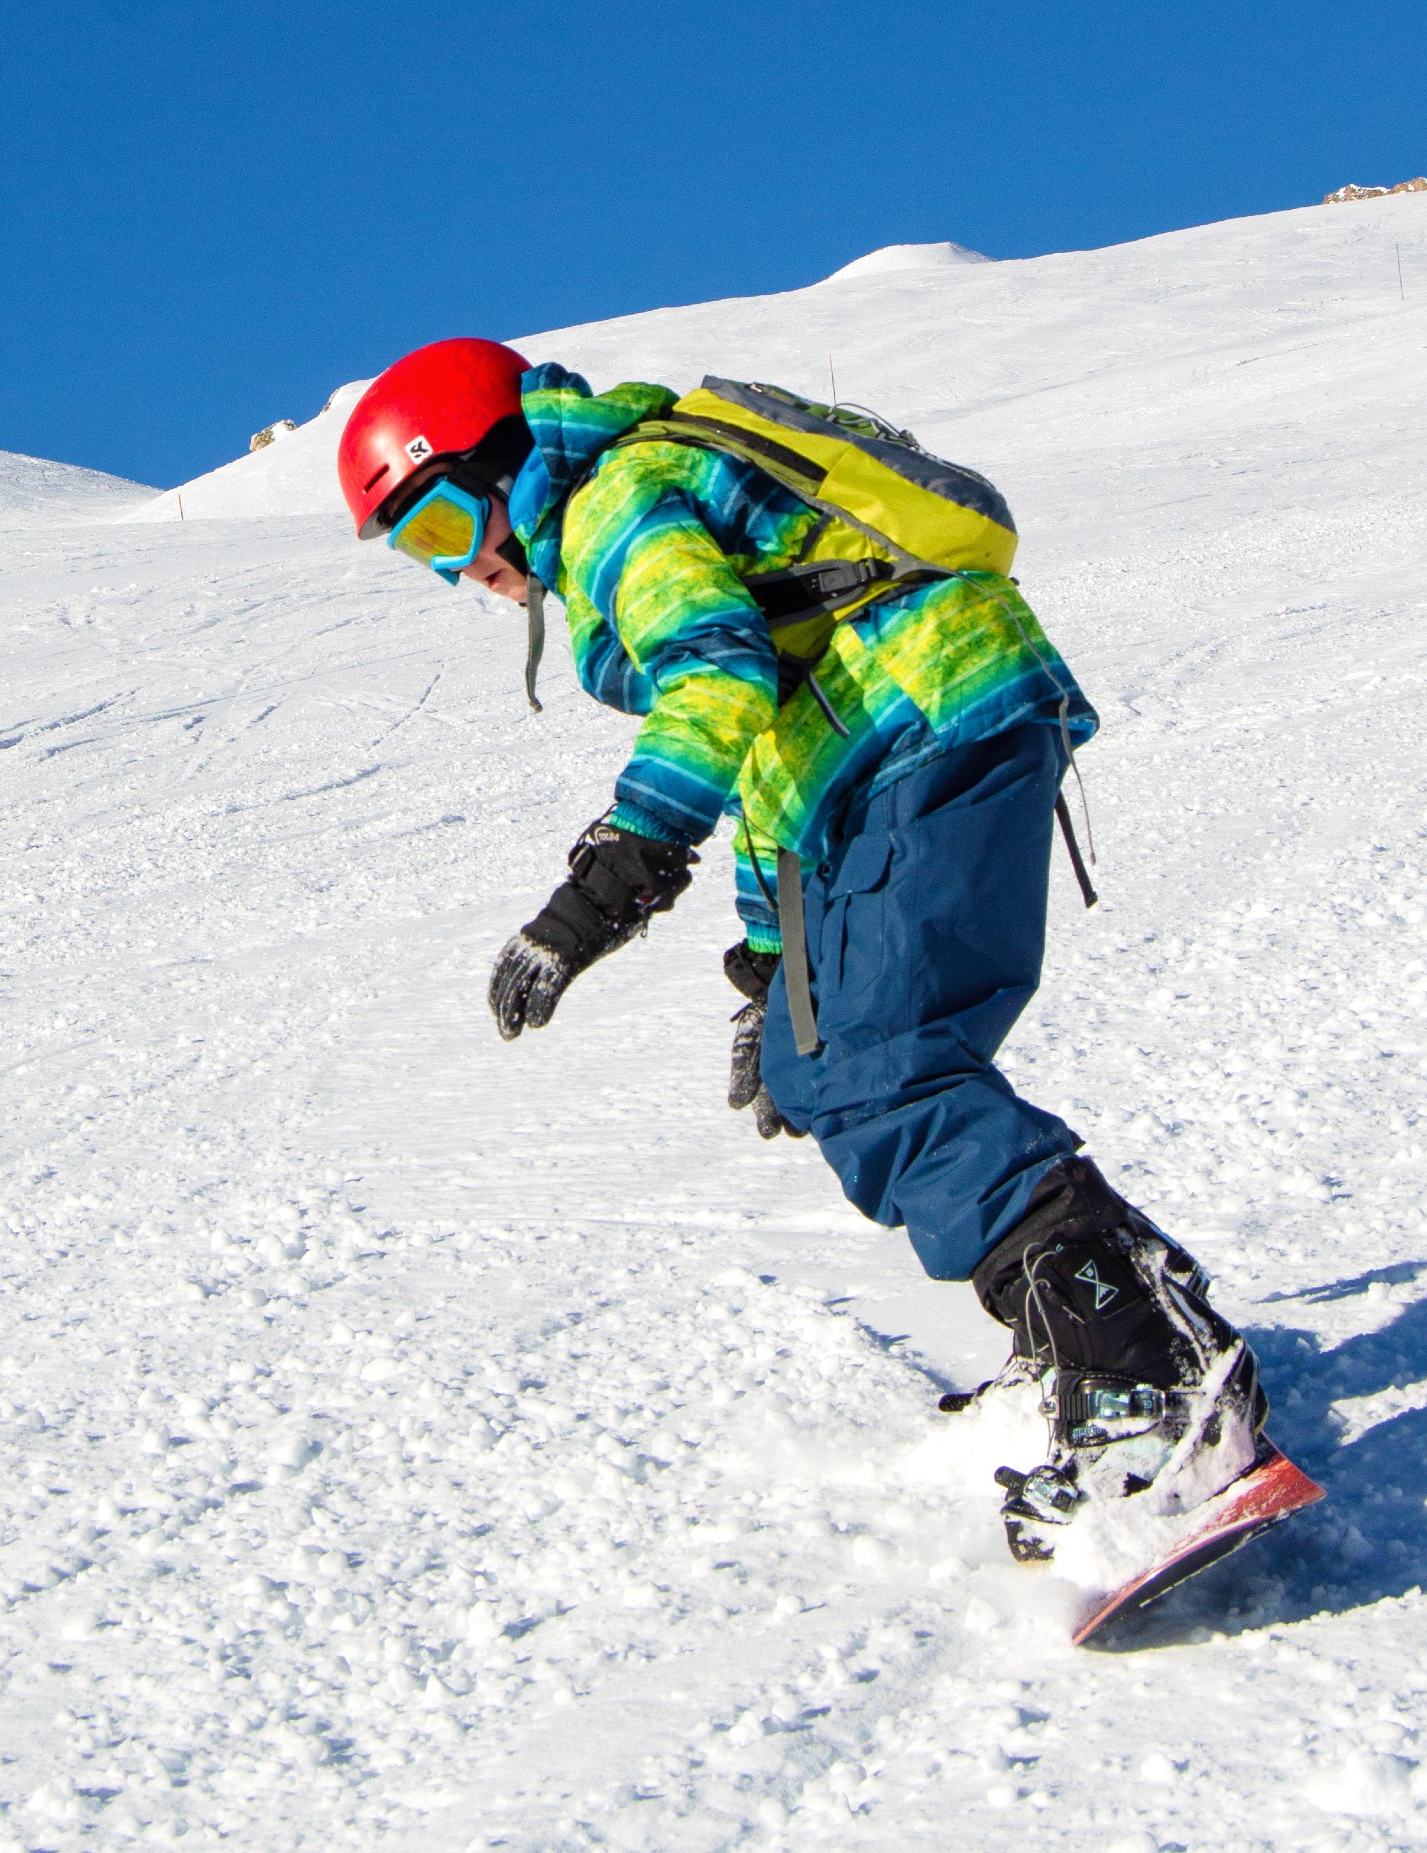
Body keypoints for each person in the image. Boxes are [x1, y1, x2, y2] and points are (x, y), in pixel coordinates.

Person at [336, 339, 1271, 1561]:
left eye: (452, 524)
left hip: (926, 721)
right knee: (824, 1056)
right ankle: (1098, 1337)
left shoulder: (612, 497)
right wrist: (774, 970)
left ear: (504, 462)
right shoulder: (627, 502)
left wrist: (605, 885)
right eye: (425, 555)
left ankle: (1145, 1378)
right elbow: (770, 747)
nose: (469, 570)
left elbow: (714, 679)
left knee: (881, 1062)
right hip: (900, 741)